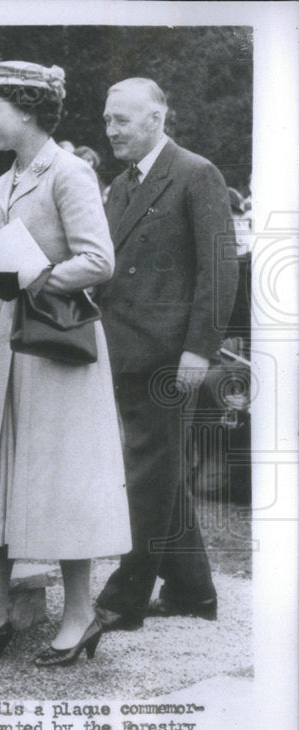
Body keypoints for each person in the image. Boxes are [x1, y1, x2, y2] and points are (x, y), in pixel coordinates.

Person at [0, 61, 130, 667]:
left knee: (62, 481)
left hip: (55, 348)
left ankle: (79, 615)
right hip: (7, 346)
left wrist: (36, 280)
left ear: (26, 110)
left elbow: (99, 260)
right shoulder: (4, 180)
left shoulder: (67, 173)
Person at [93, 77, 238, 631]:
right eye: (108, 120)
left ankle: (122, 600)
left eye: (121, 120)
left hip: (167, 357)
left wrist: (199, 349)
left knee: (147, 473)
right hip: (120, 348)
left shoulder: (197, 173)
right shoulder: (122, 185)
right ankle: (192, 592)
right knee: (161, 476)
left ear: (156, 118)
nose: (111, 130)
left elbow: (219, 269)